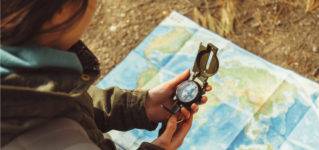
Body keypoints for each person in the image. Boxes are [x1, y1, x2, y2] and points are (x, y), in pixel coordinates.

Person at [0, 0, 211, 149]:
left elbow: (66, 105)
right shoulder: (56, 140)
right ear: (60, 10)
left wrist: (140, 106)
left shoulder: (25, 79)